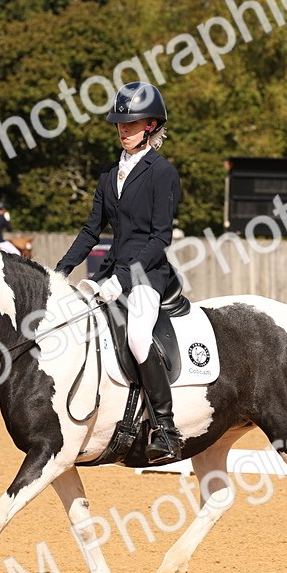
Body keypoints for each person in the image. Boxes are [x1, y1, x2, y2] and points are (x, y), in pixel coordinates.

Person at [55, 81, 183, 464]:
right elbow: (90, 231)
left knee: (139, 338)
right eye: (120, 124)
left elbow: (160, 238)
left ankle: (165, 428)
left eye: (132, 124)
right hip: (109, 270)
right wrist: (60, 271)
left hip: (147, 274)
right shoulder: (109, 174)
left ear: (150, 125)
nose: (123, 130)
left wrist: (123, 280)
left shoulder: (163, 173)